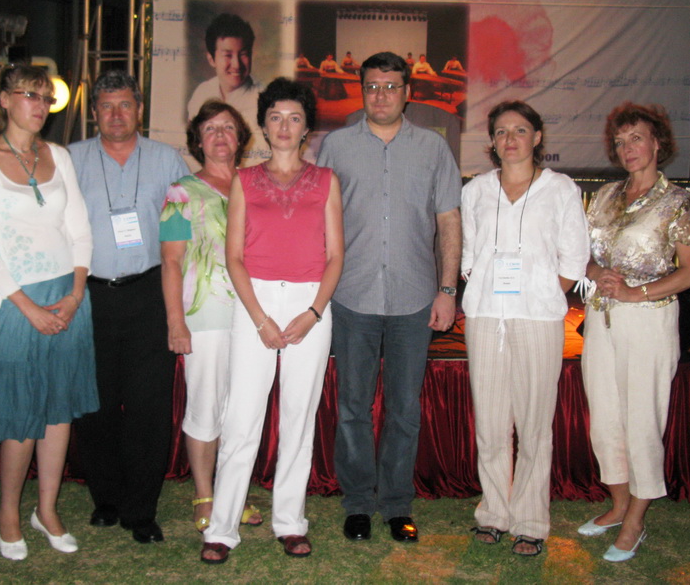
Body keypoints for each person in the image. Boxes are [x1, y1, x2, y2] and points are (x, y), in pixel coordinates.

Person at [317, 51, 462, 543]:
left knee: (404, 408)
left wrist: (447, 289)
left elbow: (448, 222)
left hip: (414, 300)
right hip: (352, 296)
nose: (381, 95)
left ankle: (396, 503)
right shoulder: (334, 147)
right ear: (362, 89)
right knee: (354, 407)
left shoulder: (433, 149)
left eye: (391, 86)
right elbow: (320, 224)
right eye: (373, 86)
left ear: (408, 92)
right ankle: (357, 503)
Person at [200, 78, 344, 564]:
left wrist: (313, 312)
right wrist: (260, 318)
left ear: (307, 128)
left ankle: (290, 522)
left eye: (295, 118)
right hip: (255, 303)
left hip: (310, 305)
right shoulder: (244, 180)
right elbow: (234, 256)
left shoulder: (326, 181)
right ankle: (222, 527)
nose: (285, 126)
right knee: (241, 417)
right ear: (262, 126)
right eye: (276, 117)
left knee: (299, 419)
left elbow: (336, 256)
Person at [0, 64, 97, 561]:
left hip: (67, 295)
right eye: (29, 95)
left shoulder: (58, 155)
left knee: (59, 410)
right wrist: (27, 307)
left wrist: (77, 292)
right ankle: (9, 513)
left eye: (45, 97)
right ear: (3, 100)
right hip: (17, 301)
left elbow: (79, 229)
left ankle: (47, 508)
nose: (39, 105)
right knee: (22, 412)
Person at [461, 101, 589, 557]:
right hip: (484, 318)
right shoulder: (476, 189)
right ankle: (494, 512)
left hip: (538, 319)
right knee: (492, 426)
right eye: (500, 131)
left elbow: (574, 258)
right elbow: (468, 255)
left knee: (535, 426)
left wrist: (538, 292)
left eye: (520, 130)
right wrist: (488, 290)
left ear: (537, 137)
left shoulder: (560, 189)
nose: (510, 138)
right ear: (492, 142)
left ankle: (531, 520)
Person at [578, 102, 690, 562]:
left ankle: (636, 520)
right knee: (605, 416)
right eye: (620, 141)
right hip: (600, 316)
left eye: (636, 138)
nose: (627, 148)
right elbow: (582, 255)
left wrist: (637, 293)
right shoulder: (607, 196)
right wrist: (597, 271)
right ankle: (616, 505)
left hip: (649, 320)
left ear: (656, 144)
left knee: (643, 420)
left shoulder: (678, 201)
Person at [69, 70, 188, 544]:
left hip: (147, 293)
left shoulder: (166, 159)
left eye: (125, 105)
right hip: (89, 294)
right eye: (106, 106)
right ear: (93, 111)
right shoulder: (70, 159)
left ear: (140, 110)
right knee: (94, 405)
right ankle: (106, 499)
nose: (116, 114)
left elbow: (182, 227)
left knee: (148, 406)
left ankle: (141, 510)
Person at [159, 100, 262, 532]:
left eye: (228, 128)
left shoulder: (257, 186)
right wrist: (175, 321)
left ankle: (234, 492)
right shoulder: (179, 192)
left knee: (242, 410)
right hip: (206, 316)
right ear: (197, 141)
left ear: (241, 139)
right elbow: (170, 262)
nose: (220, 136)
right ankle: (205, 495)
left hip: (255, 315)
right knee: (206, 407)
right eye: (210, 129)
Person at [186, 13, 266, 165]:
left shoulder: (265, 99)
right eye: (227, 55)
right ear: (211, 59)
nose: (236, 64)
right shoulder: (201, 93)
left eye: (243, 54)